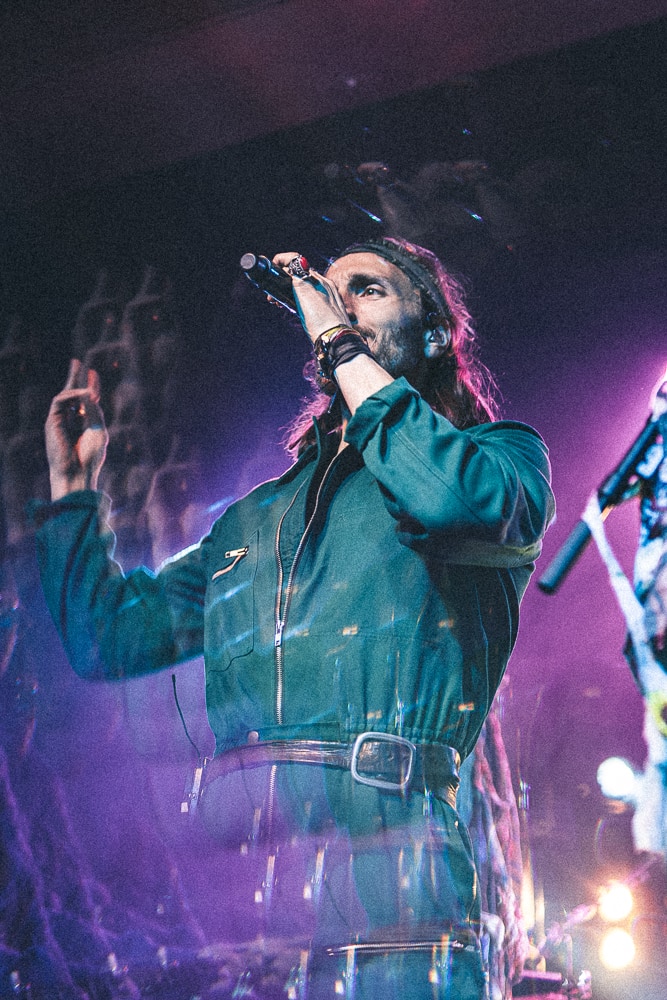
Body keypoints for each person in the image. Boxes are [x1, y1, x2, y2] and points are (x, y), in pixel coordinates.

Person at [33, 238, 555, 999]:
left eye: (367, 290)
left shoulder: (498, 457)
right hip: (247, 890)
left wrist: (338, 338)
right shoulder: (253, 519)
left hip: (391, 858)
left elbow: (448, 500)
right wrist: (74, 493)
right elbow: (107, 637)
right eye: (328, 294)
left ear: (435, 332)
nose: (338, 305)